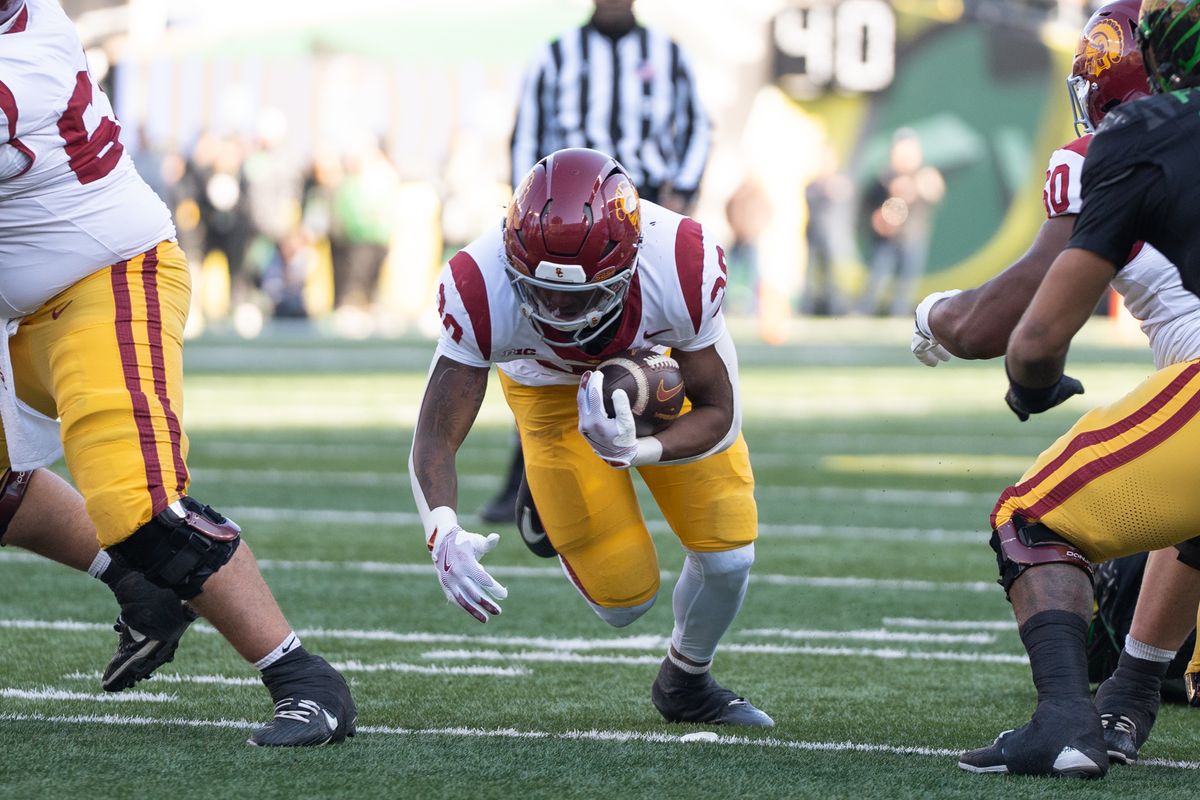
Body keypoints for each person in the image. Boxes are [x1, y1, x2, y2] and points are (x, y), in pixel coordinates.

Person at [0, 0, 353, 746]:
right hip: (18, 301)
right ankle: (137, 588)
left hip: (103, 279)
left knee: (140, 504)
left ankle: (303, 679)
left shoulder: (20, 66)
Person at [910, 0, 1200, 769]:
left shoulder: (1132, 141)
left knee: (1030, 519)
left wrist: (940, 317)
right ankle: (1136, 687)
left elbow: (1012, 333)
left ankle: (1066, 723)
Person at [409, 148, 772, 727]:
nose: (557, 310)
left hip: (655, 372)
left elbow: (720, 411)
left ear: (630, 263)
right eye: (542, 291)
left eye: (578, 296)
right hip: (548, 395)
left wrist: (639, 450)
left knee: (730, 558)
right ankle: (543, 482)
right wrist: (442, 531)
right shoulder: (478, 285)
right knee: (624, 603)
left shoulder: (680, 262)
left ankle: (686, 680)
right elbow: (434, 435)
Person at [484, 0, 713, 522]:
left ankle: (681, 472)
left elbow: (698, 127)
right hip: (563, 220)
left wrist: (681, 196)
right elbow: (526, 135)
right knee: (550, 344)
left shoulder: (669, 54)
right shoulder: (555, 55)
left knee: (663, 347)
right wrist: (529, 213)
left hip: (642, 211)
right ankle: (532, 482)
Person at [856, 128, 944, 317]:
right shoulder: (885, 174)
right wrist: (877, 218)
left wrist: (917, 187)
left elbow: (935, 192)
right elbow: (870, 203)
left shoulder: (924, 173)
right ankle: (865, 309)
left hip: (912, 234)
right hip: (887, 236)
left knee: (907, 280)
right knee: (877, 275)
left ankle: (899, 312)